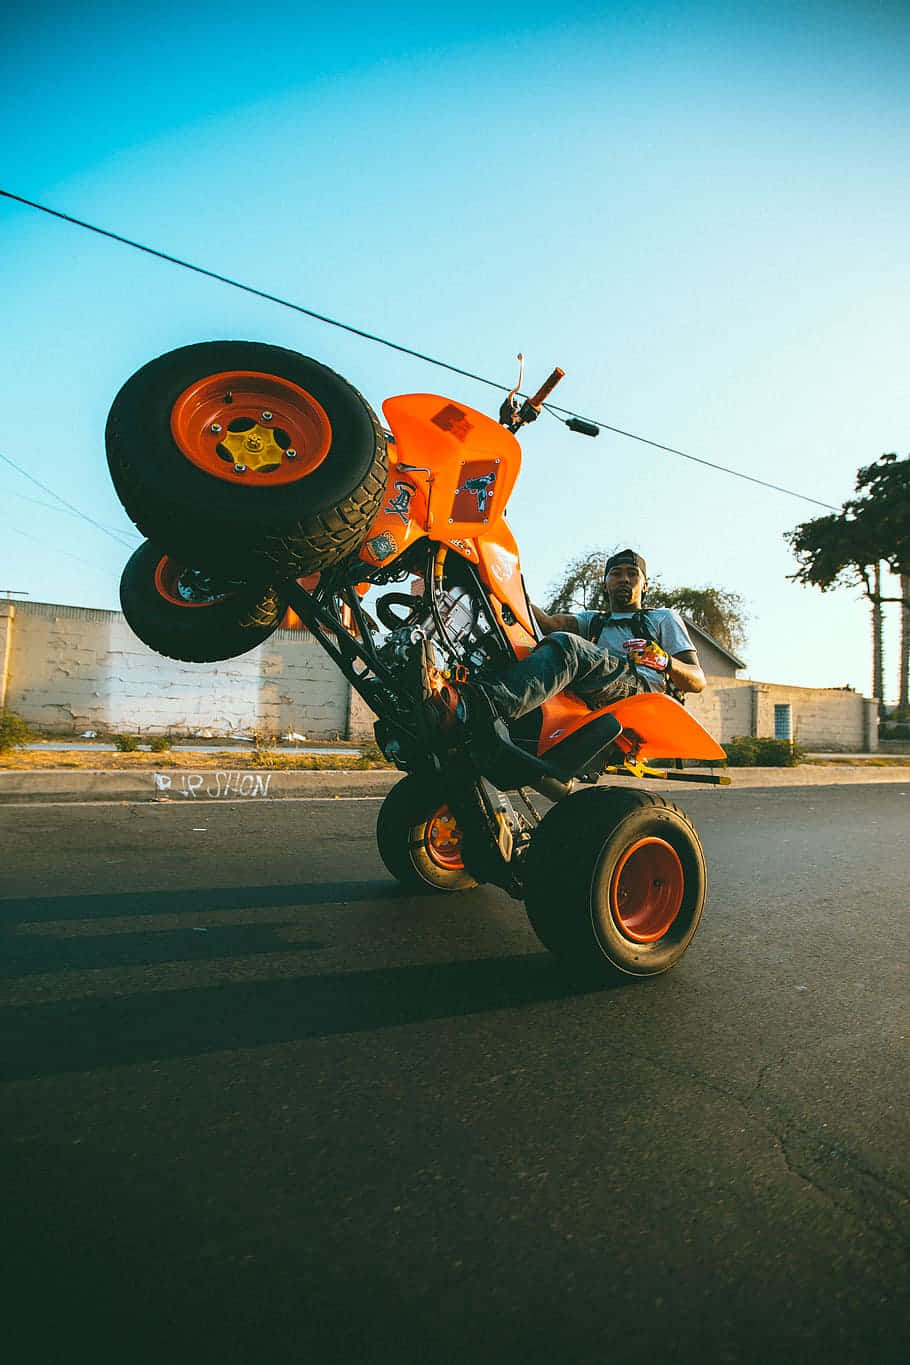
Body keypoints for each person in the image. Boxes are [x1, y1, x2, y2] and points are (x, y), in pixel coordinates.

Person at [425, 548, 705, 733]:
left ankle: (475, 709)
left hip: (641, 691)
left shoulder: (663, 618)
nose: (624, 579)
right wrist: (499, 585)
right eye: (616, 574)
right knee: (520, 647)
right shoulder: (595, 620)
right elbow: (547, 623)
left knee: (569, 647)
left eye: (633, 574)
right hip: (600, 687)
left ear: (645, 584)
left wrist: (665, 661)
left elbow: (697, 680)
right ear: (606, 582)